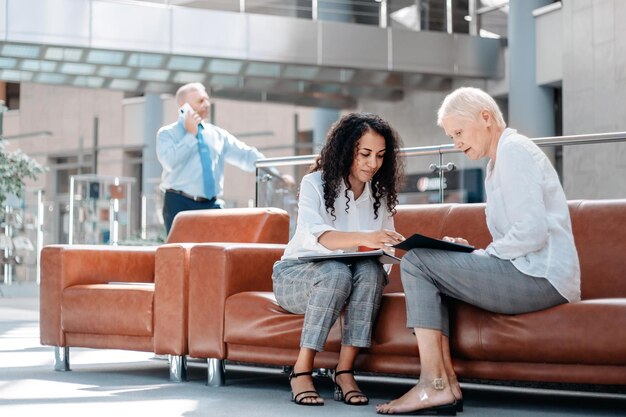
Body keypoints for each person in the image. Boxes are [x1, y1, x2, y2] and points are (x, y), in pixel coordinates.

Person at [376, 87, 581, 415]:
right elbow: (517, 238)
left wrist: (481, 257)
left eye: (458, 132)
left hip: (542, 277)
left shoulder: (514, 151)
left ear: (486, 118)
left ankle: (434, 384)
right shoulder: (495, 164)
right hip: (530, 271)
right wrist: (471, 253)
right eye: (450, 135)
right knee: (425, 263)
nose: (455, 143)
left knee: (415, 261)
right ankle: (445, 386)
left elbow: (532, 232)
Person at [272, 113, 405, 406]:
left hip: (353, 277)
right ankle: (301, 370)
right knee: (335, 272)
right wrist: (366, 238)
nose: (373, 164)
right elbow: (319, 237)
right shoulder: (314, 183)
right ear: (346, 151)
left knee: (370, 271)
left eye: (381, 156)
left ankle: (344, 370)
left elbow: (385, 251)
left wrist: (387, 246)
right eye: (365, 154)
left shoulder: (380, 195)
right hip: (297, 275)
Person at [156, 82, 292, 234]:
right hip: (179, 203)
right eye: (201, 101)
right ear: (183, 106)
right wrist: (191, 135)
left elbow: (246, 155)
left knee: (217, 252)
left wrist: (276, 174)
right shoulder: (167, 133)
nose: (207, 104)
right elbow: (169, 162)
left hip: (212, 205)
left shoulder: (217, 135)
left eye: (207, 99)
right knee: (179, 254)